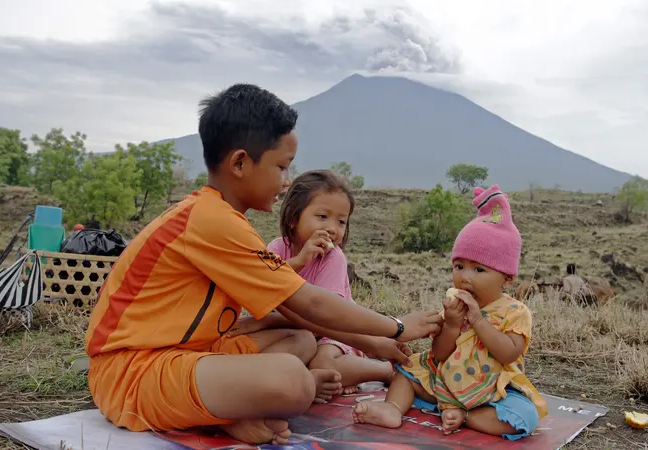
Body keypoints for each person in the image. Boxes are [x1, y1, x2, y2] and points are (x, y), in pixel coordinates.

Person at [84, 84, 443, 446]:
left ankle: (226, 410)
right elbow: (309, 302)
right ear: (239, 163)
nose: (286, 182)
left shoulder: (220, 217)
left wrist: (374, 343)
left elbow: (298, 317)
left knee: (300, 340)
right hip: (131, 374)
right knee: (295, 382)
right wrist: (395, 327)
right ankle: (225, 414)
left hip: (190, 355)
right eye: (281, 167)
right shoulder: (212, 222)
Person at [353, 185, 548, 440]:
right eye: (459, 266)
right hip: (444, 380)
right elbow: (440, 353)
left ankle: (466, 416)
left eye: (479, 270)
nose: (465, 277)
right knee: (407, 371)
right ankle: (392, 409)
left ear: (507, 279)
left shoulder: (515, 311)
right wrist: (453, 325)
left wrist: (477, 320)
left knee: (526, 417)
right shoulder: (455, 307)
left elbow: (508, 353)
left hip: (491, 389)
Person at [227, 170, 397, 399]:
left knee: (323, 365)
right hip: (297, 330)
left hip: (336, 332)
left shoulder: (333, 258)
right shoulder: (277, 249)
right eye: (322, 216)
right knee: (284, 360)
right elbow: (266, 285)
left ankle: (384, 370)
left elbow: (325, 318)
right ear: (293, 218)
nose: (332, 228)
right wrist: (299, 261)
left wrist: (264, 322)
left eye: (341, 221)